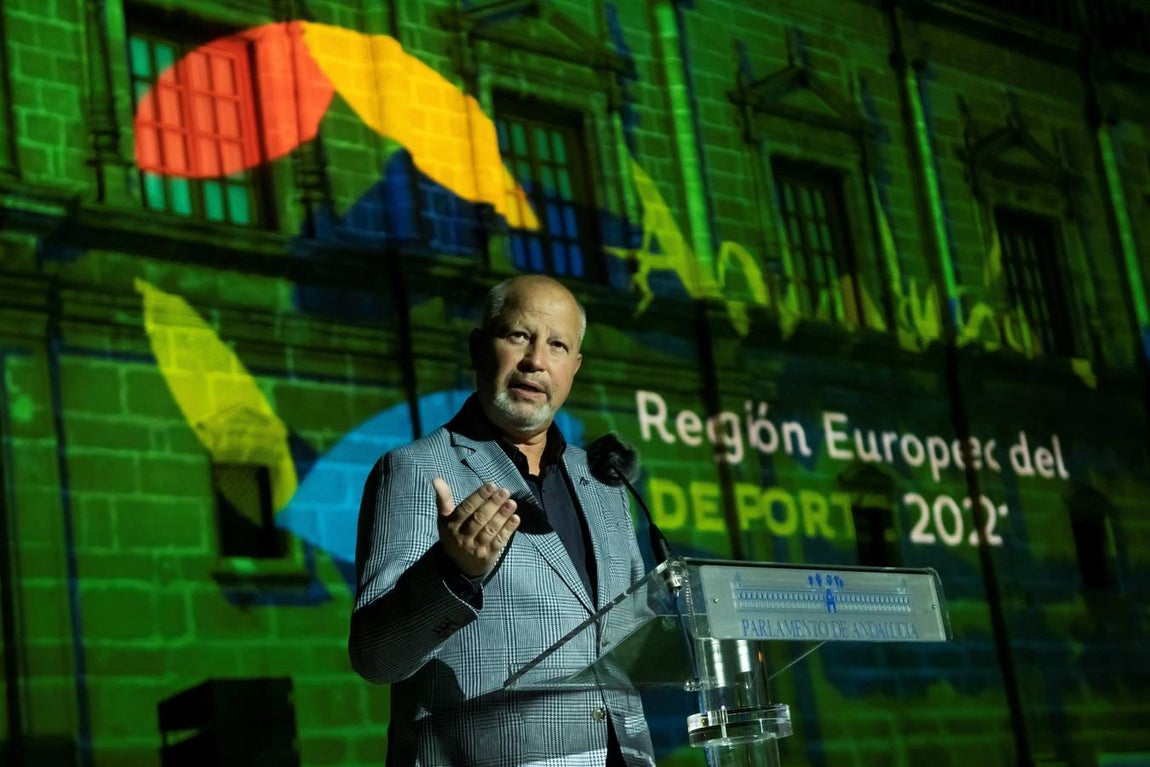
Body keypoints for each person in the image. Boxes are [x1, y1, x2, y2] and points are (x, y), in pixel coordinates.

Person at [349, 275, 655, 766]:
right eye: (518, 336)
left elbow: (634, 638)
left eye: (557, 345)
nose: (536, 360)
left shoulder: (604, 480)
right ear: (478, 347)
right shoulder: (416, 469)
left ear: (574, 368)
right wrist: (451, 572)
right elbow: (377, 657)